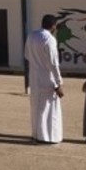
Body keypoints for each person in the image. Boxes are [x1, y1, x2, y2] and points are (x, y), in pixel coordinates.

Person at [24, 14, 64, 144]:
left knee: (36, 107)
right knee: (48, 109)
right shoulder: (49, 39)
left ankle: (36, 134)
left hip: (34, 77)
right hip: (47, 78)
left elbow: (27, 55)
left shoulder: (31, 36)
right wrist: (59, 82)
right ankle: (48, 137)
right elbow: (54, 63)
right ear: (53, 26)